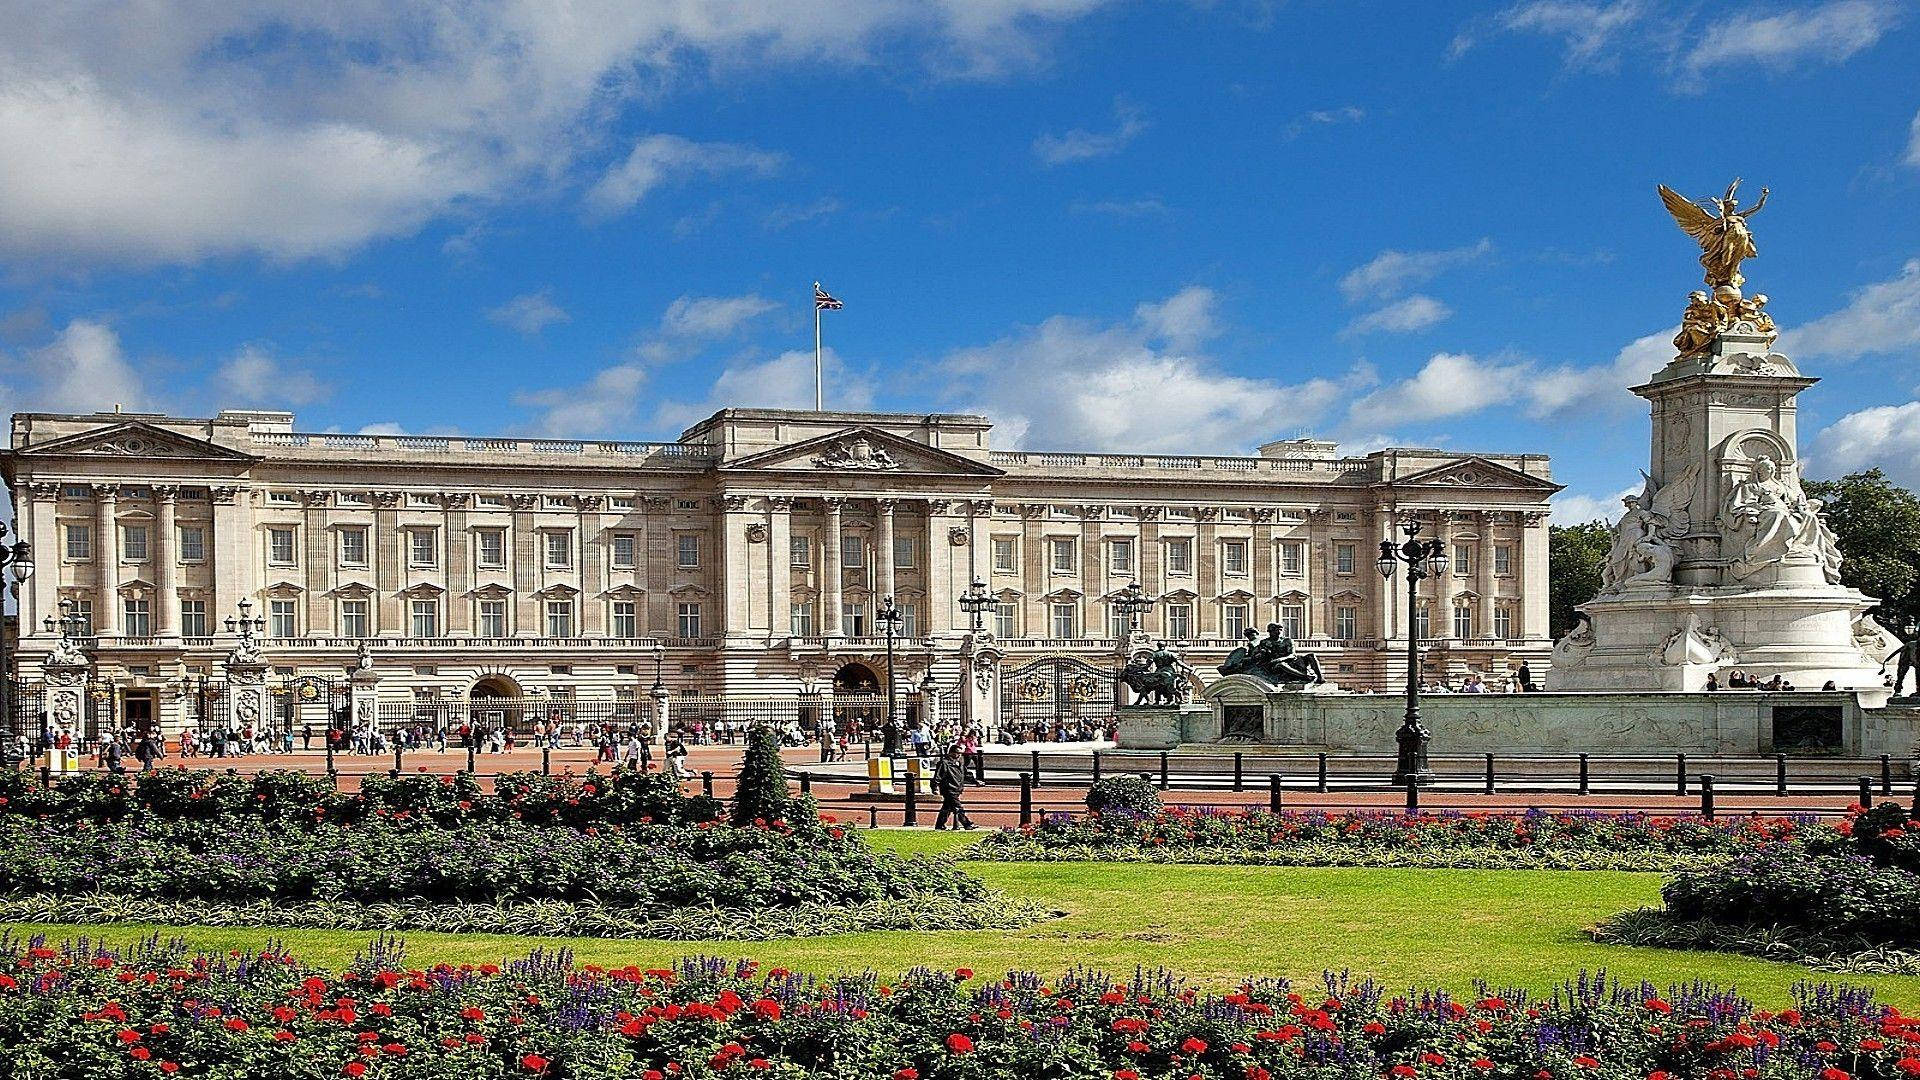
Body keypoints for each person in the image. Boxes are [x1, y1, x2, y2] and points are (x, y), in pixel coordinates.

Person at [933, 745, 974, 830]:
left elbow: (966, 774)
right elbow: (937, 776)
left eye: (960, 753)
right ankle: (967, 824)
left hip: (957, 788)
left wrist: (975, 781)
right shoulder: (944, 763)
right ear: (951, 753)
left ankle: (939, 825)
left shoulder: (959, 763)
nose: (959, 755)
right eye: (957, 753)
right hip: (948, 789)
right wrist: (934, 787)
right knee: (958, 807)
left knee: (947, 807)